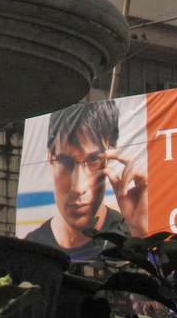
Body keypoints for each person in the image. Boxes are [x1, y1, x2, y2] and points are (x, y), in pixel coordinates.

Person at [24, 100, 148, 261]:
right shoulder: (31, 249)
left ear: (111, 158)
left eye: (93, 160)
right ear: (50, 159)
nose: (78, 187)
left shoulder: (128, 236)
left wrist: (140, 232)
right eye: (65, 162)